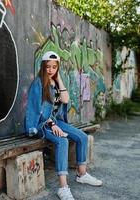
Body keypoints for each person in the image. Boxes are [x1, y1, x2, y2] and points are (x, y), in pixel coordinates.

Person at [25, 51, 102, 200]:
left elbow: (65, 100)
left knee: (82, 137)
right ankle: (63, 187)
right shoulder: (38, 83)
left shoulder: (56, 81)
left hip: (56, 121)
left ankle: (82, 174)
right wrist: (52, 124)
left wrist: (59, 78)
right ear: (43, 66)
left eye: (54, 67)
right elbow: (36, 110)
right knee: (63, 141)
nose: (51, 70)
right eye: (48, 66)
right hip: (41, 124)